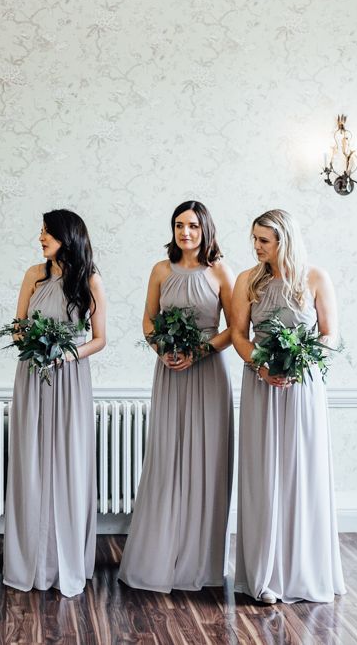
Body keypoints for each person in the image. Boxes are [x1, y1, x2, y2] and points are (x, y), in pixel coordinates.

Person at [119, 200, 235, 592]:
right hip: (169, 371)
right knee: (168, 458)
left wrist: (199, 352)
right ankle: (161, 556)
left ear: (206, 229)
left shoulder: (220, 271)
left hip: (208, 373)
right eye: (179, 225)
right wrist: (163, 350)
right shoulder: (160, 270)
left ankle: (199, 562)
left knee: (205, 460)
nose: (185, 232)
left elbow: (235, 329)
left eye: (193, 226)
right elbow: (148, 320)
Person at [231, 209, 346, 604]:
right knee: (264, 473)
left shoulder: (315, 278)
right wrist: (261, 366)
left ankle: (303, 572)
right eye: (256, 239)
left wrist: (303, 361)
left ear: (285, 240)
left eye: (264, 240)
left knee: (301, 473)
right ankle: (265, 573)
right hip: (261, 386)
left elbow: (330, 335)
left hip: (302, 388)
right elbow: (238, 335)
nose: (257, 247)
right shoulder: (247, 280)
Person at [3, 209, 106, 597]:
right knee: (31, 460)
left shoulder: (90, 280)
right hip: (32, 375)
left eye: (47, 233)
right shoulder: (34, 275)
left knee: (68, 461)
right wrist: (28, 341)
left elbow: (99, 338)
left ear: (68, 237)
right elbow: (17, 326)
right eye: (41, 232)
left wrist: (65, 355)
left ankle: (67, 560)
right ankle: (31, 558)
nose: (40, 238)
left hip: (70, 378)